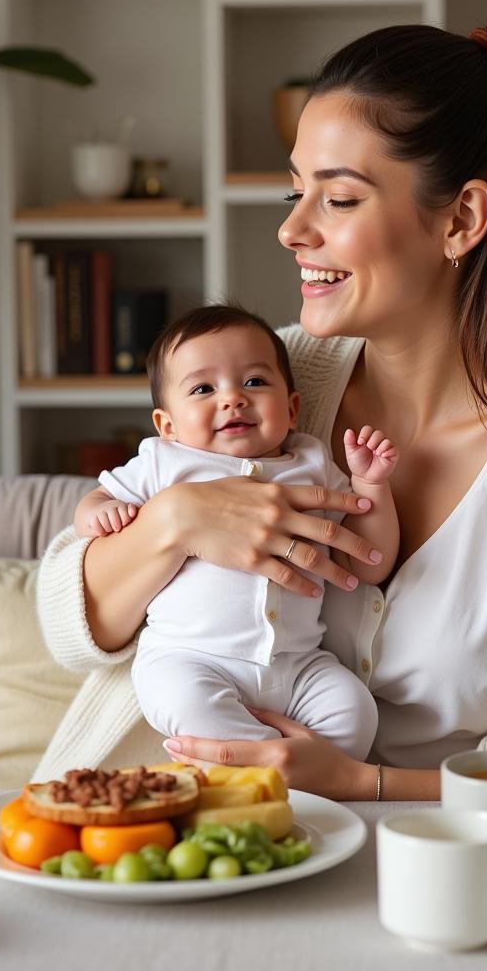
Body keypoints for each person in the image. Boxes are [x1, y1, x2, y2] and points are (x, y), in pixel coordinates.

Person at [33, 10, 487, 801]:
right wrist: (176, 520)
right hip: (158, 829)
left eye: (338, 200)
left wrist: (370, 783)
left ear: (461, 220)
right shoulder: (272, 381)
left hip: (437, 872)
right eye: (295, 189)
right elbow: (67, 624)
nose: (289, 229)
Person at [64, 304, 399, 761]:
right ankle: (270, 766)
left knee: (355, 712)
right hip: (192, 658)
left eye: (255, 382)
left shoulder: (313, 462)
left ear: (292, 408)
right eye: (203, 388)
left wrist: (371, 486)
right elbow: (92, 504)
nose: (233, 398)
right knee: (184, 701)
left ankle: (311, 774)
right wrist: (101, 514)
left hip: (298, 664)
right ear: (167, 425)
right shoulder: (165, 462)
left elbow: (366, 559)